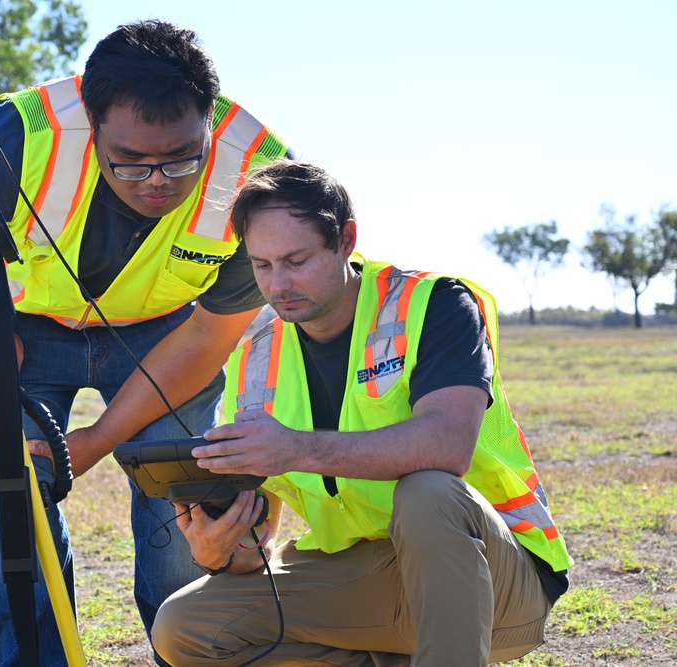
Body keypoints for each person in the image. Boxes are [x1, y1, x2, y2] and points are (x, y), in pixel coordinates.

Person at [0, 20, 291, 667]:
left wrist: (97, 441)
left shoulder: (260, 172)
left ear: (209, 121)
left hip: (167, 332)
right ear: (93, 127)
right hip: (23, 324)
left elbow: (209, 334)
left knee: (179, 483)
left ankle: (191, 651)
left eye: (182, 157)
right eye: (131, 161)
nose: (159, 180)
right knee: (18, 486)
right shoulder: (24, 133)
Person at [151, 161, 573, 666]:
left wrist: (296, 448)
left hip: (496, 582)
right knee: (183, 628)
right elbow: (258, 538)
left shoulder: (434, 304)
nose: (278, 283)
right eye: (262, 266)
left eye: (297, 259)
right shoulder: (253, 360)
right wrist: (217, 550)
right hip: (359, 576)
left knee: (429, 492)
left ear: (346, 239)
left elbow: (448, 447)